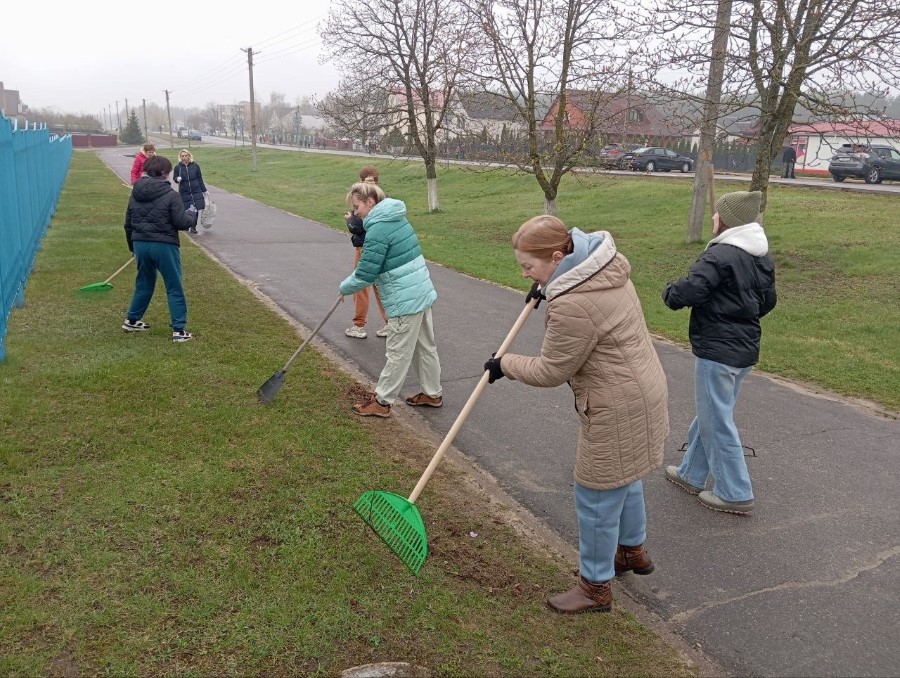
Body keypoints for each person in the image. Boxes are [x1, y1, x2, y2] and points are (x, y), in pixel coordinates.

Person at [483, 216, 669, 614]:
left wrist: (504, 364)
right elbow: (586, 309)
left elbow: (552, 370)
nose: (524, 274)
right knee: (625, 476)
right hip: (644, 387)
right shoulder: (603, 269)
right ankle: (632, 552)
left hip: (615, 402)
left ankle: (594, 587)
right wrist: (547, 288)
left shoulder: (573, 304)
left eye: (529, 266)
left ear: (557, 257)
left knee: (596, 494)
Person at [661, 191, 776, 516]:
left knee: (716, 419)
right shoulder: (760, 255)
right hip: (744, 347)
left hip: (718, 349)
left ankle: (735, 492)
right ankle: (691, 473)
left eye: (717, 213)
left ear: (727, 220)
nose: (713, 217)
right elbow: (768, 301)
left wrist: (669, 291)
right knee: (711, 413)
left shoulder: (719, 255)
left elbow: (689, 290)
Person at [338, 182, 443, 417]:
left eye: (357, 207)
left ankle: (382, 402)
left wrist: (344, 288)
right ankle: (432, 393)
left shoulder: (378, 229)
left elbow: (365, 274)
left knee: (397, 352)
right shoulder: (396, 216)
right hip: (420, 292)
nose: (355, 213)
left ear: (370, 203)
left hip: (404, 298)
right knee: (425, 347)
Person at [122, 155, 198, 343]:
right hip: (164, 245)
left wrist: (133, 248)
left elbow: (128, 224)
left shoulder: (135, 193)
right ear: (165, 173)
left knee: (144, 283)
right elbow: (181, 222)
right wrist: (191, 214)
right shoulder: (171, 195)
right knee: (174, 286)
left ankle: (132, 320)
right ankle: (179, 330)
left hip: (140, 243)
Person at [344, 165, 389, 340]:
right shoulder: (383, 197)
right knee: (380, 286)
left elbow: (357, 226)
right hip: (381, 247)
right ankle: (390, 322)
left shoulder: (363, 199)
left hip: (365, 247)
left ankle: (359, 325)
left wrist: (350, 219)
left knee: (361, 286)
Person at [172, 149, 207, 234]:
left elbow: (200, 178)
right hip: (185, 192)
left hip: (196, 191)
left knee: (196, 209)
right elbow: (175, 178)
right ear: (180, 157)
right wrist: (177, 179)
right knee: (187, 209)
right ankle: (187, 226)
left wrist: (204, 190)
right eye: (182, 156)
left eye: (186, 156)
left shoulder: (195, 166)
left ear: (189, 156)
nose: (184, 157)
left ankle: (193, 227)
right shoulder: (178, 167)